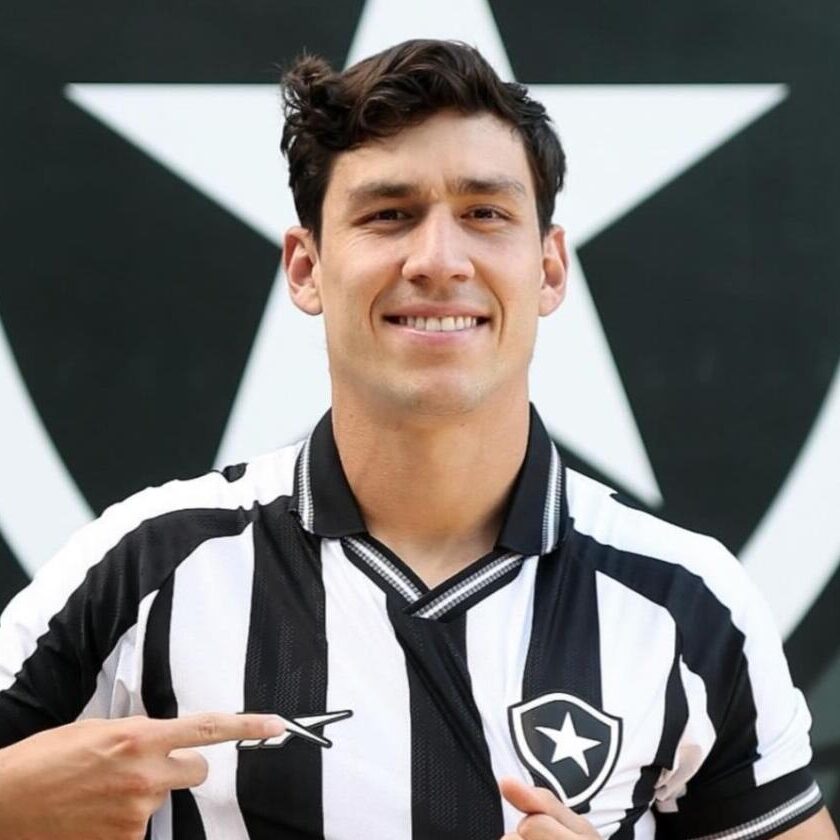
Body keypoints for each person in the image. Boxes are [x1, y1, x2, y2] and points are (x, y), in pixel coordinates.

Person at [0, 39, 835, 840]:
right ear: (306, 268)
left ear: (549, 269)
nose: (438, 259)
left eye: (485, 213)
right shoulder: (146, 565)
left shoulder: (685, 602)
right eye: (389, 215)